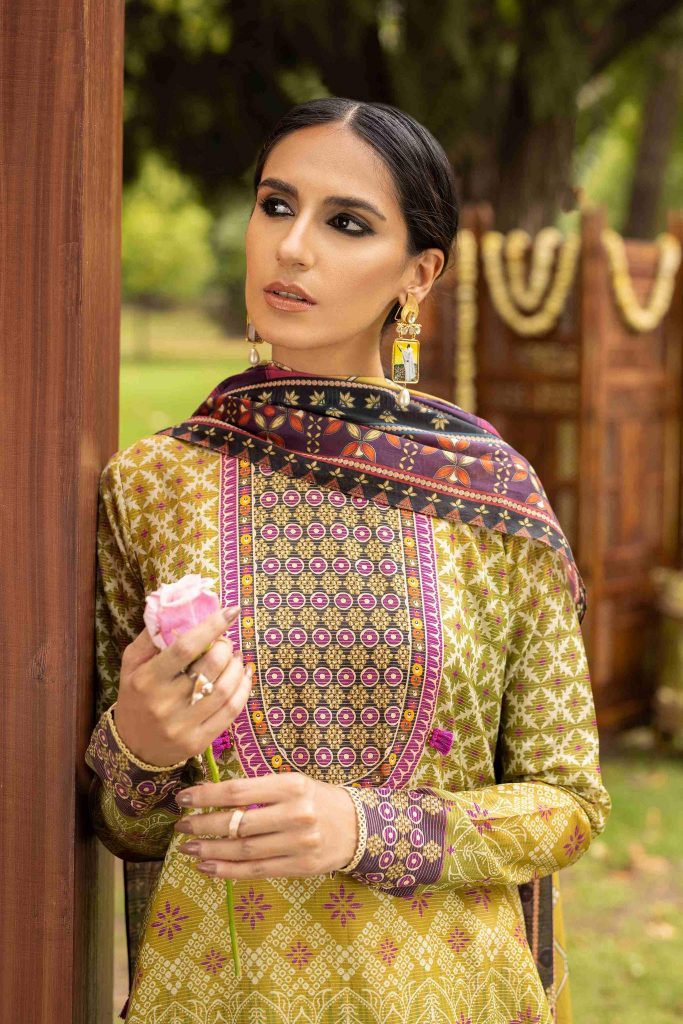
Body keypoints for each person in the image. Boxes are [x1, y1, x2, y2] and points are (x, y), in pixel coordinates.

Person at [84, 97, 611, 1024]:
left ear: (418, 273)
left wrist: (364, 827)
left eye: (347, 224)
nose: (291, 248)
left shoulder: (489, 497)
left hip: (445, 995)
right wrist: (141, 743)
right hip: (219, 991)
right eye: (276, 205)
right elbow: (128, 824)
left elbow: (569, 802)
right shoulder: (151, 486)